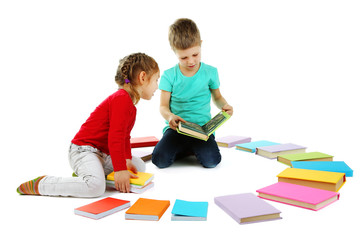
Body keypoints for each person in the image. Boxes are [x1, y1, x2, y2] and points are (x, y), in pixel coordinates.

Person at [17, 53, 160, 197]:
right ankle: (42, 184)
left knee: (139, 166)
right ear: (142, 77)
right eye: (156, 80)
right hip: (84, 150)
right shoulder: (121, 99)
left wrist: (127, 160)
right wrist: (119, 170)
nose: (157, 86)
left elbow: (124, 137)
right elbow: (115, 137)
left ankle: (89, 174)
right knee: (95, 188)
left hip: (103, 154)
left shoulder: (130, 106)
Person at [152, 18, 233, 169]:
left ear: (201, 44)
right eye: (184, 57)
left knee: (212, 161)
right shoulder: (169, 76)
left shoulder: (210, 72)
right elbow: (163, 106)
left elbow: (217, 97)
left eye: (195, 54)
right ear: (174, 52)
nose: (191, 61)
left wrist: (225, 105)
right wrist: (170, 116)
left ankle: (190, 148)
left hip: (202, 130)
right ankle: (186, 148)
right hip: (176, 129)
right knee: (159, 160)